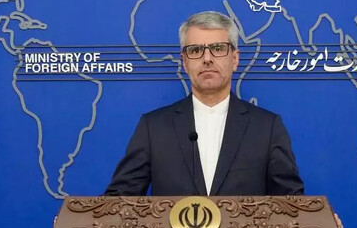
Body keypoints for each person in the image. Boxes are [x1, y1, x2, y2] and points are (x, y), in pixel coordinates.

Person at [105, 11, 304, 196]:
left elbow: (293, 205)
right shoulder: (153, 128)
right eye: (196, 50)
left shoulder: (267, 128)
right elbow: (117, 201)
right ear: (184, 62)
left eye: (218, 49)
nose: (207, 59)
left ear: (235, 59)